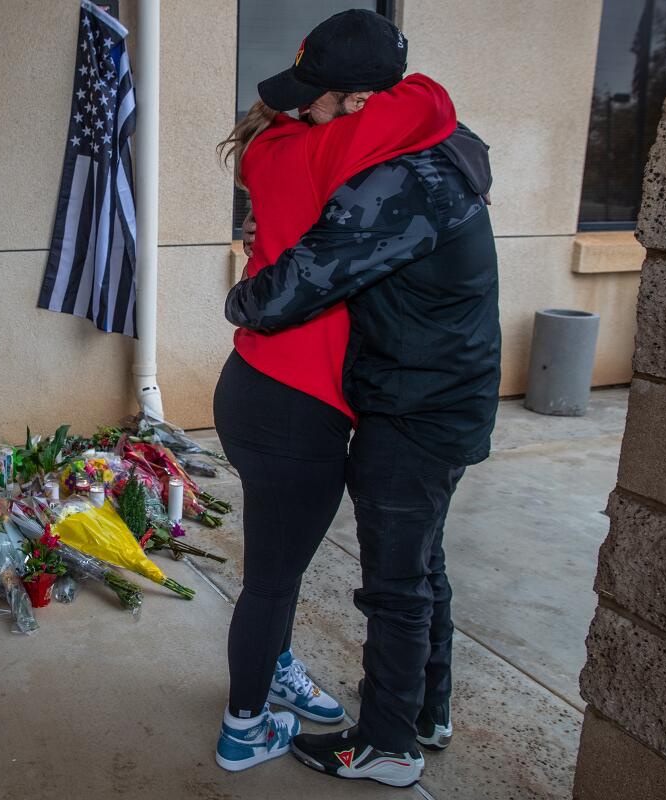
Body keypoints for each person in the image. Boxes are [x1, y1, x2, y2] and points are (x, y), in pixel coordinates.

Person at [225, 76, 500, 788]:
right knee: (408, 570)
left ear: (356, 103)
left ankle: (389, 740)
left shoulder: (382, 175)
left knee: (398, 583)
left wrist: (242, 290)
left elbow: (285, 293)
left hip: (408, 407)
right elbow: (431, 104)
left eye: (314, 95)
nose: (302, 108)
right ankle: (412, 717)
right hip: (405, 400)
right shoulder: (440, 151)